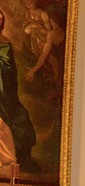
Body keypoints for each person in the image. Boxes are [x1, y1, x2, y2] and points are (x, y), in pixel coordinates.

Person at [0, 10, 39, 172]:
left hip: (3, 91)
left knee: (17, 120)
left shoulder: (5, 43)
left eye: (0, 19)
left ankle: (9, 160)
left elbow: (9, 68)